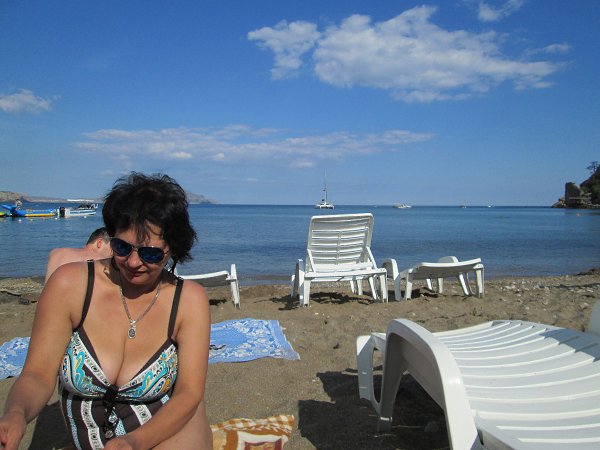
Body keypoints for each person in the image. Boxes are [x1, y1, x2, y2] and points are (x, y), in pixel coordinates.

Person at [0, 173, 212, 450]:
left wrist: (134, 442)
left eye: (149, 254)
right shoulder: (70, 285)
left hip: (165, 435)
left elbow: (189, 394)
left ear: (171, 248)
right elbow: (37, 374)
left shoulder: (188, 300)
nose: (133, 262)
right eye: (122, 247)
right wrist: (16, 414)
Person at [44, 227, 113, 282]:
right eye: (112, 248)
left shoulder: (56, 252)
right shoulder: (101, 260)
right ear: (99, 243)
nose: (113, 254)